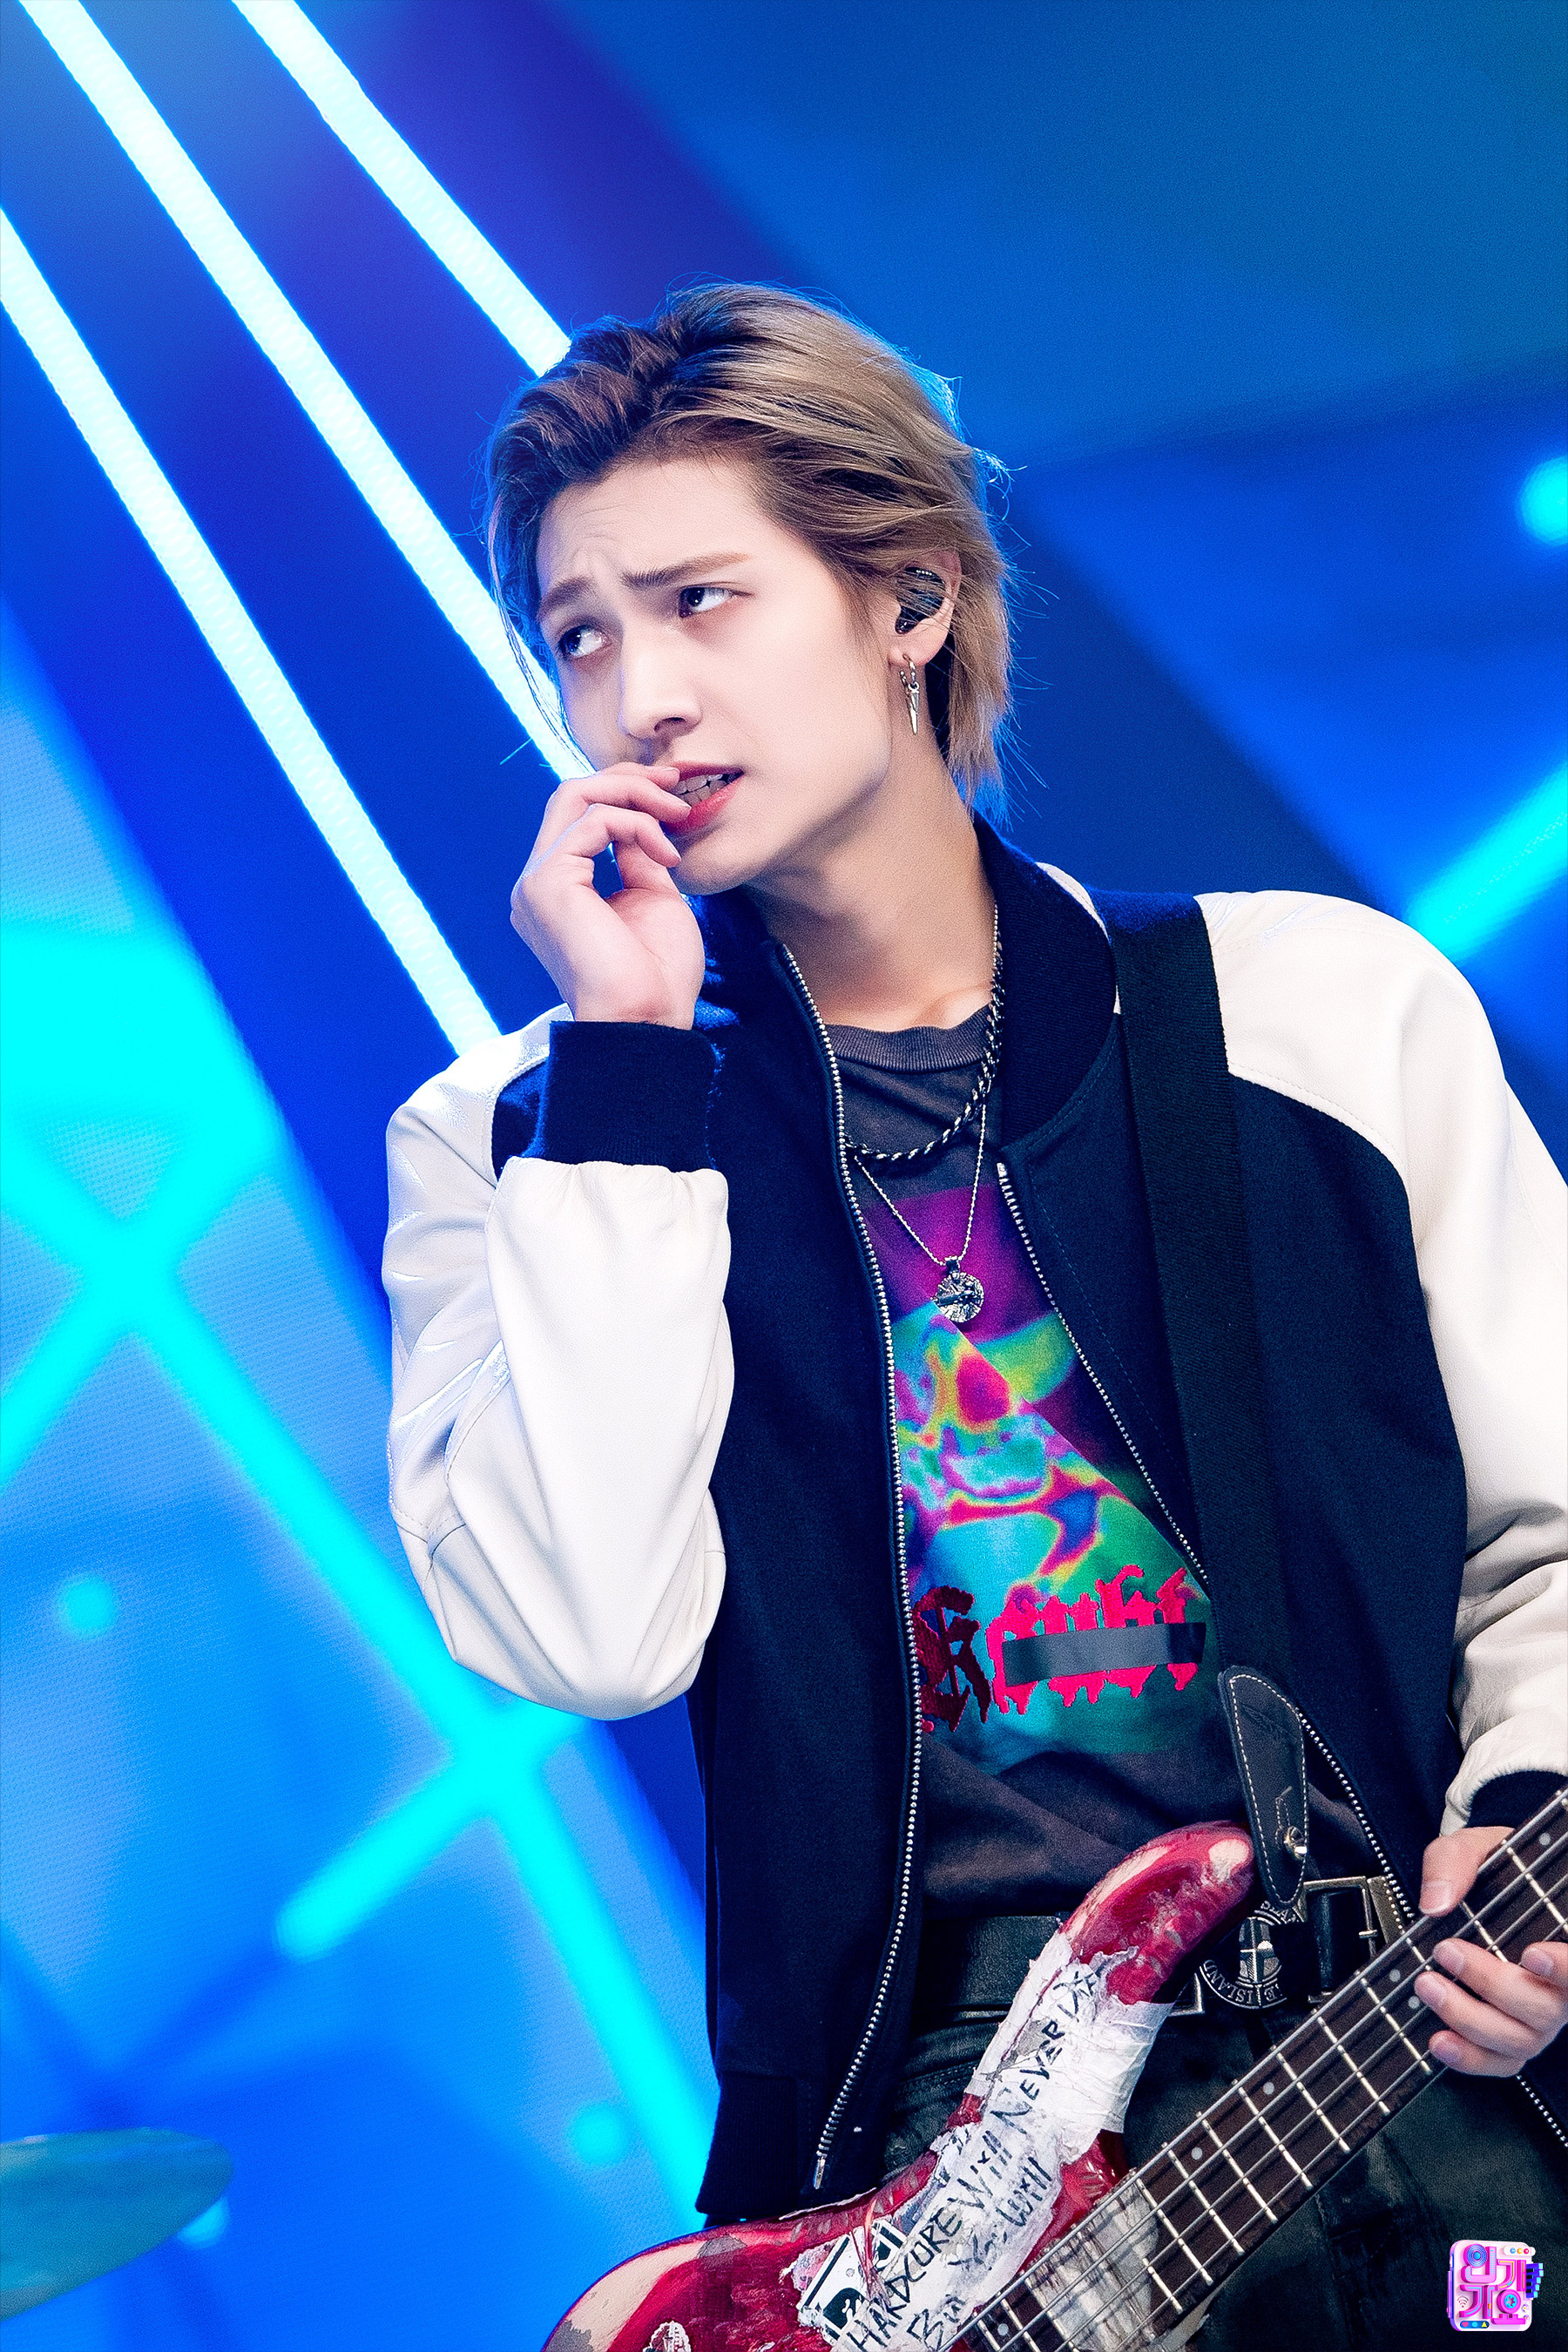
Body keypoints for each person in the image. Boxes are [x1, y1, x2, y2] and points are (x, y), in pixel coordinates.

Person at [383, 285, 1566, 2342]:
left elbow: (1549, 1531)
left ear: (911, 597)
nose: (637, 695)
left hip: (1381, 2092)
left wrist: (1530, 1828)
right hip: (907, 2204)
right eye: (579, 637)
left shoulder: (1321, 1012)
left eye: (699, 601)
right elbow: (585, 1637)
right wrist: (631, 1073)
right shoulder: (520, 1134)